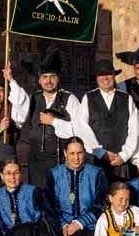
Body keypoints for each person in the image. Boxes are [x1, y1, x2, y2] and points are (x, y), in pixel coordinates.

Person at [5, 48, 91, 187]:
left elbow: (80, 128)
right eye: (45, 77)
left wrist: (54, 122)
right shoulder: (33, 98)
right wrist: (11, 79)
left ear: (58, 79)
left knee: (59, 193)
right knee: (38, 193)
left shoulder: (69, 98)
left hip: (60, 158)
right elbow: (19, 114)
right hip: (36, 159)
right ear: (39, 80)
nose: (48, 81)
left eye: (52, 77)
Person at [46, 138, 108, 236]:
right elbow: (49, 205)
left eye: (79, 153)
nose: (76, 158)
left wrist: (79, 223)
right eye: (72, 153)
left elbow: (101, 203)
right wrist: (63, 224)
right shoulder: (53, 174)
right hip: (62, 225)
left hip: (89, 225)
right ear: (65, 153)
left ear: (85, 153)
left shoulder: (97, 173)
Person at [79, 59, 139, 183]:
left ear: (113, 75)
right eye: (101, 75)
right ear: (96, 78)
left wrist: (124, 155)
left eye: (108, 74)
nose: (105, 78)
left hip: (120, 162)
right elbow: (82, 127)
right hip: (96, 161)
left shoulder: (127, 99)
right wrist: (100, 152)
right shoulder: (88, 98)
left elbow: (135, 130)